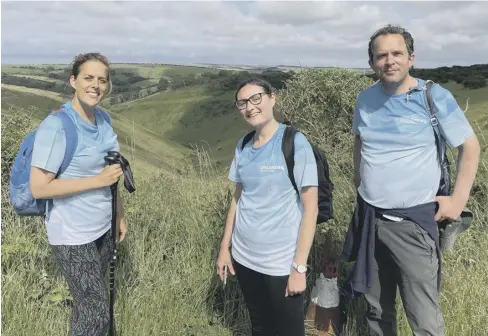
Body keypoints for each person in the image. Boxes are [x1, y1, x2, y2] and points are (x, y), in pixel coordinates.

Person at [342, 24, 481, 336]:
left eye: (396, 53)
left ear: (410, 57)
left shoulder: (433, 96)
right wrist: (359, 180)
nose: (389, 61)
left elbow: (469, 146)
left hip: (413, 225)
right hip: (370, 219)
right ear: (371, 63)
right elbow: (360, 142)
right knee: (377, 310)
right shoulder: (365, 99)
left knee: (424, 318)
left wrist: (458, 201)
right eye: (381, 55)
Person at [29, 52, 127, 336]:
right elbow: (40, 187)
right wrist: (96, 180)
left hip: (102, 227)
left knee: (88, 307)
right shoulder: (56, 125)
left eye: (102, 80)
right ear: (73, 81)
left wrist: (119, 215)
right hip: (71, 234)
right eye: (88, 78)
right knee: (96, 313)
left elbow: (113, 173)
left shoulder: (104, 120)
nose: (95, 85)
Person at [215, 78, 319, 336]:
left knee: (288, 330)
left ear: (272, 97)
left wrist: (299, 267)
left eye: (256, 98)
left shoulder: (295, 143)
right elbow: (237, 199)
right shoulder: (243, 145)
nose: (249, 107)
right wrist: (224, 248)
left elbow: (311, 209)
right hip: (245, 258)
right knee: (260, 326)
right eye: (242, 103)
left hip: (280, 264)